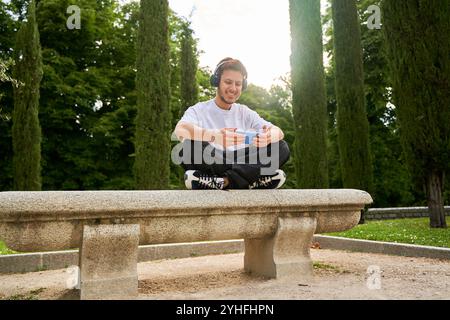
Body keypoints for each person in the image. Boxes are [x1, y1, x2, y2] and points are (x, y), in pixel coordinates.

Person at [174, 57, 290, 190]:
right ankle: (251, 181)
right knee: (186, 148)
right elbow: (180, 129)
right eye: (228, 82)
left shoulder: (245, 112)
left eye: (238, 84)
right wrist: (214, 136)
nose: (233, 88)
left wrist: (269, 136)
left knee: (281, 146)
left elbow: (278, 132)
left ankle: (223, 182)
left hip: (242, 160)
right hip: (217, 159)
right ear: (217, 82)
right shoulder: (198, 109)